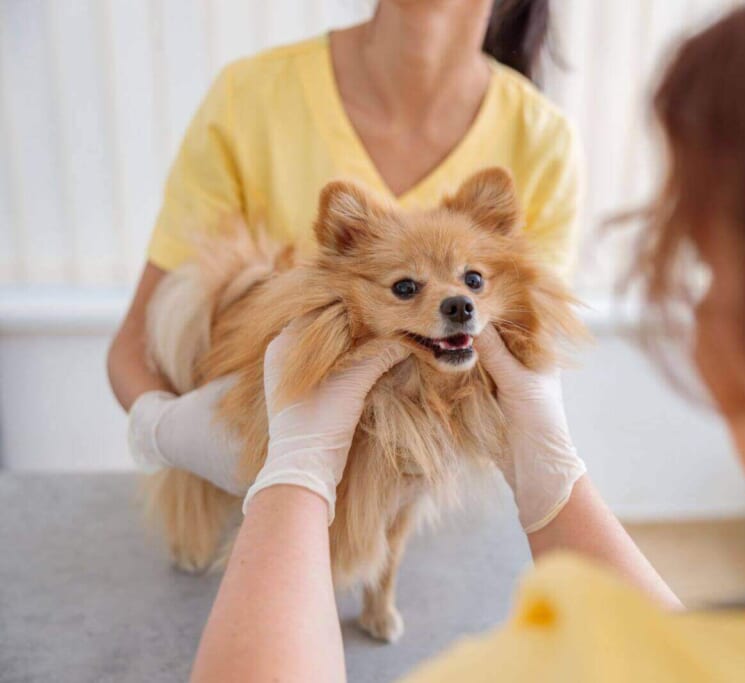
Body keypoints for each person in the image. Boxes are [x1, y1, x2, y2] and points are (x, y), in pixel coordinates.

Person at [177, 0, 745, 679]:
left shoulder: (556, 661)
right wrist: (558, 488)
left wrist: (293, 478)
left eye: (707, 271)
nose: (692, 310)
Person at [107, 0, 676, 646]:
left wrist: (549, 470)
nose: (456, 300)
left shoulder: (542, 139)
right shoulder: (249, 99)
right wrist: (166, 429)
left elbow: (524, 334)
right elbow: (134, 345)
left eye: (470, 283)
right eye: (407, 287)